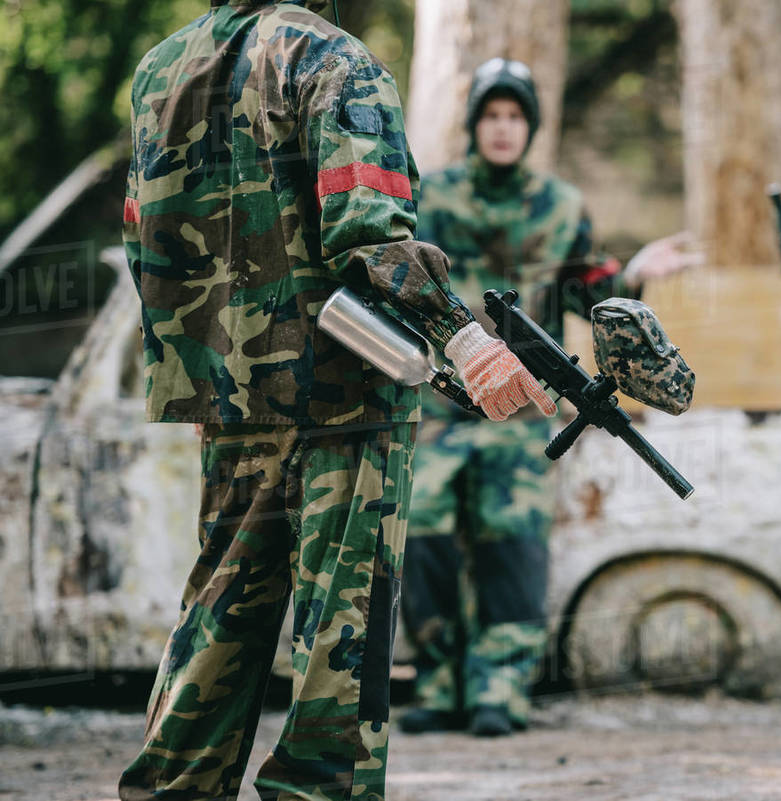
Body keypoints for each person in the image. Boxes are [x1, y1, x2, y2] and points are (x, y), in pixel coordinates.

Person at [118, 3, 551, 799]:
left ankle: (172, 785)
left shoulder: (161, 70)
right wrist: (466, 340)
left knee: (222, 607)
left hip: (228, 395)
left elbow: (141, 232)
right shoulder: (337, 61)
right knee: (341, 630)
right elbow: (372, 234)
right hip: (344, 395)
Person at [399, 58, 699, 738]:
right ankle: (440, 683)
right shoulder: (432, 196)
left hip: (521, 408)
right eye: (492, 115)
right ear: (475, 124)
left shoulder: (560, 205)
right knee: (427, 543)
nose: (503, 129)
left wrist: (633, 275)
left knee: (512, 549)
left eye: (515, 117)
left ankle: (500, 689)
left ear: (529, 127)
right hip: (441, 403)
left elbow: (585, 292)